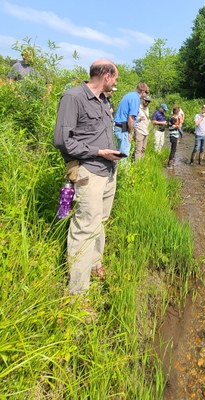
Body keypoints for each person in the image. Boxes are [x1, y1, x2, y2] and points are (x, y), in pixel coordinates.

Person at [53, 59, 121, 296]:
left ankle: (94, 264)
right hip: (88, 172)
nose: (116, 84)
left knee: (99, 222)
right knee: (84, 227)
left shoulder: (104, 101)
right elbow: (62, 141)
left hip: (109, 171)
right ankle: (77, 294)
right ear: (107, 76)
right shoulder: (73, 98)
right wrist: (97, 152)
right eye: (115, 79)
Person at [113, 82, 149, 159]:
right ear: (143, 91)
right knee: (124, 154)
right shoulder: (135, 98)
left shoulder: (129, 95)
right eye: (146, 92)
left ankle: (118, 168)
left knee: (120, 151)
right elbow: (131, 118)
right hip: (123, 126)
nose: (146, 95)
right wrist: (130, 133)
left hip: (120, 125)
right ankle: (123, 170)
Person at [134, 95, 152, 160]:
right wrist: (139, 118)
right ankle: (137, 166)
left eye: (148, 102)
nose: (147, 102)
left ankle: (141, 163)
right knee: (138, 149)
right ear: (143, 100)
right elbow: (132, 118)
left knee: (143, 149)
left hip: (145, 131)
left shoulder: (147, 109)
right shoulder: (138, 107)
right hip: (139, 130)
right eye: (146, 101)